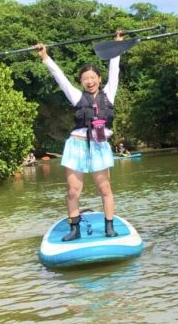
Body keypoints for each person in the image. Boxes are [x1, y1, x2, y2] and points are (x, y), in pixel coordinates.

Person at [35, 32, 124, 241]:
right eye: (85, 79)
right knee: (73, 191)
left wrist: (116, 46)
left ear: (99, 79)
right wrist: (45, 57)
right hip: (77, 146)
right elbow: (60, 78)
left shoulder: (108, 93)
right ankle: (75, 229)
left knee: (105, 189)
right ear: (81, 82)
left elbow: (115, 69)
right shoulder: (76, 96)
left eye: (93, 78)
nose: (90, 81)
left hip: (100, 147)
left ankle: (109, 227)